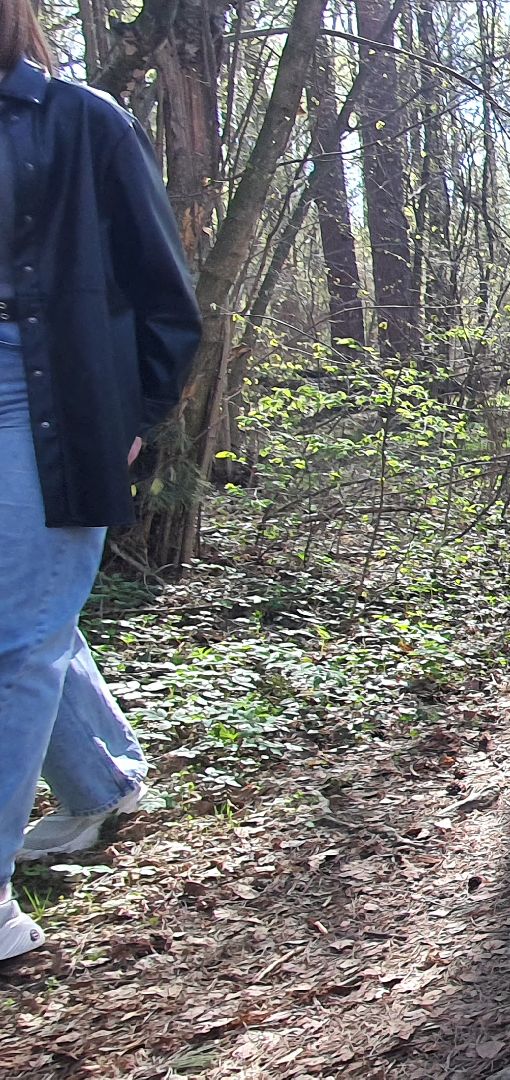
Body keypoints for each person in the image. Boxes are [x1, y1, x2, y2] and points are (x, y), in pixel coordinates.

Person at [0, 6, 203, 962]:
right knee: (32, 619)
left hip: (39, 394)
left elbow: (166, 294)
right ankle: (105, 781)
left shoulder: (80, 122)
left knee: (16, 640)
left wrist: (131, 413)